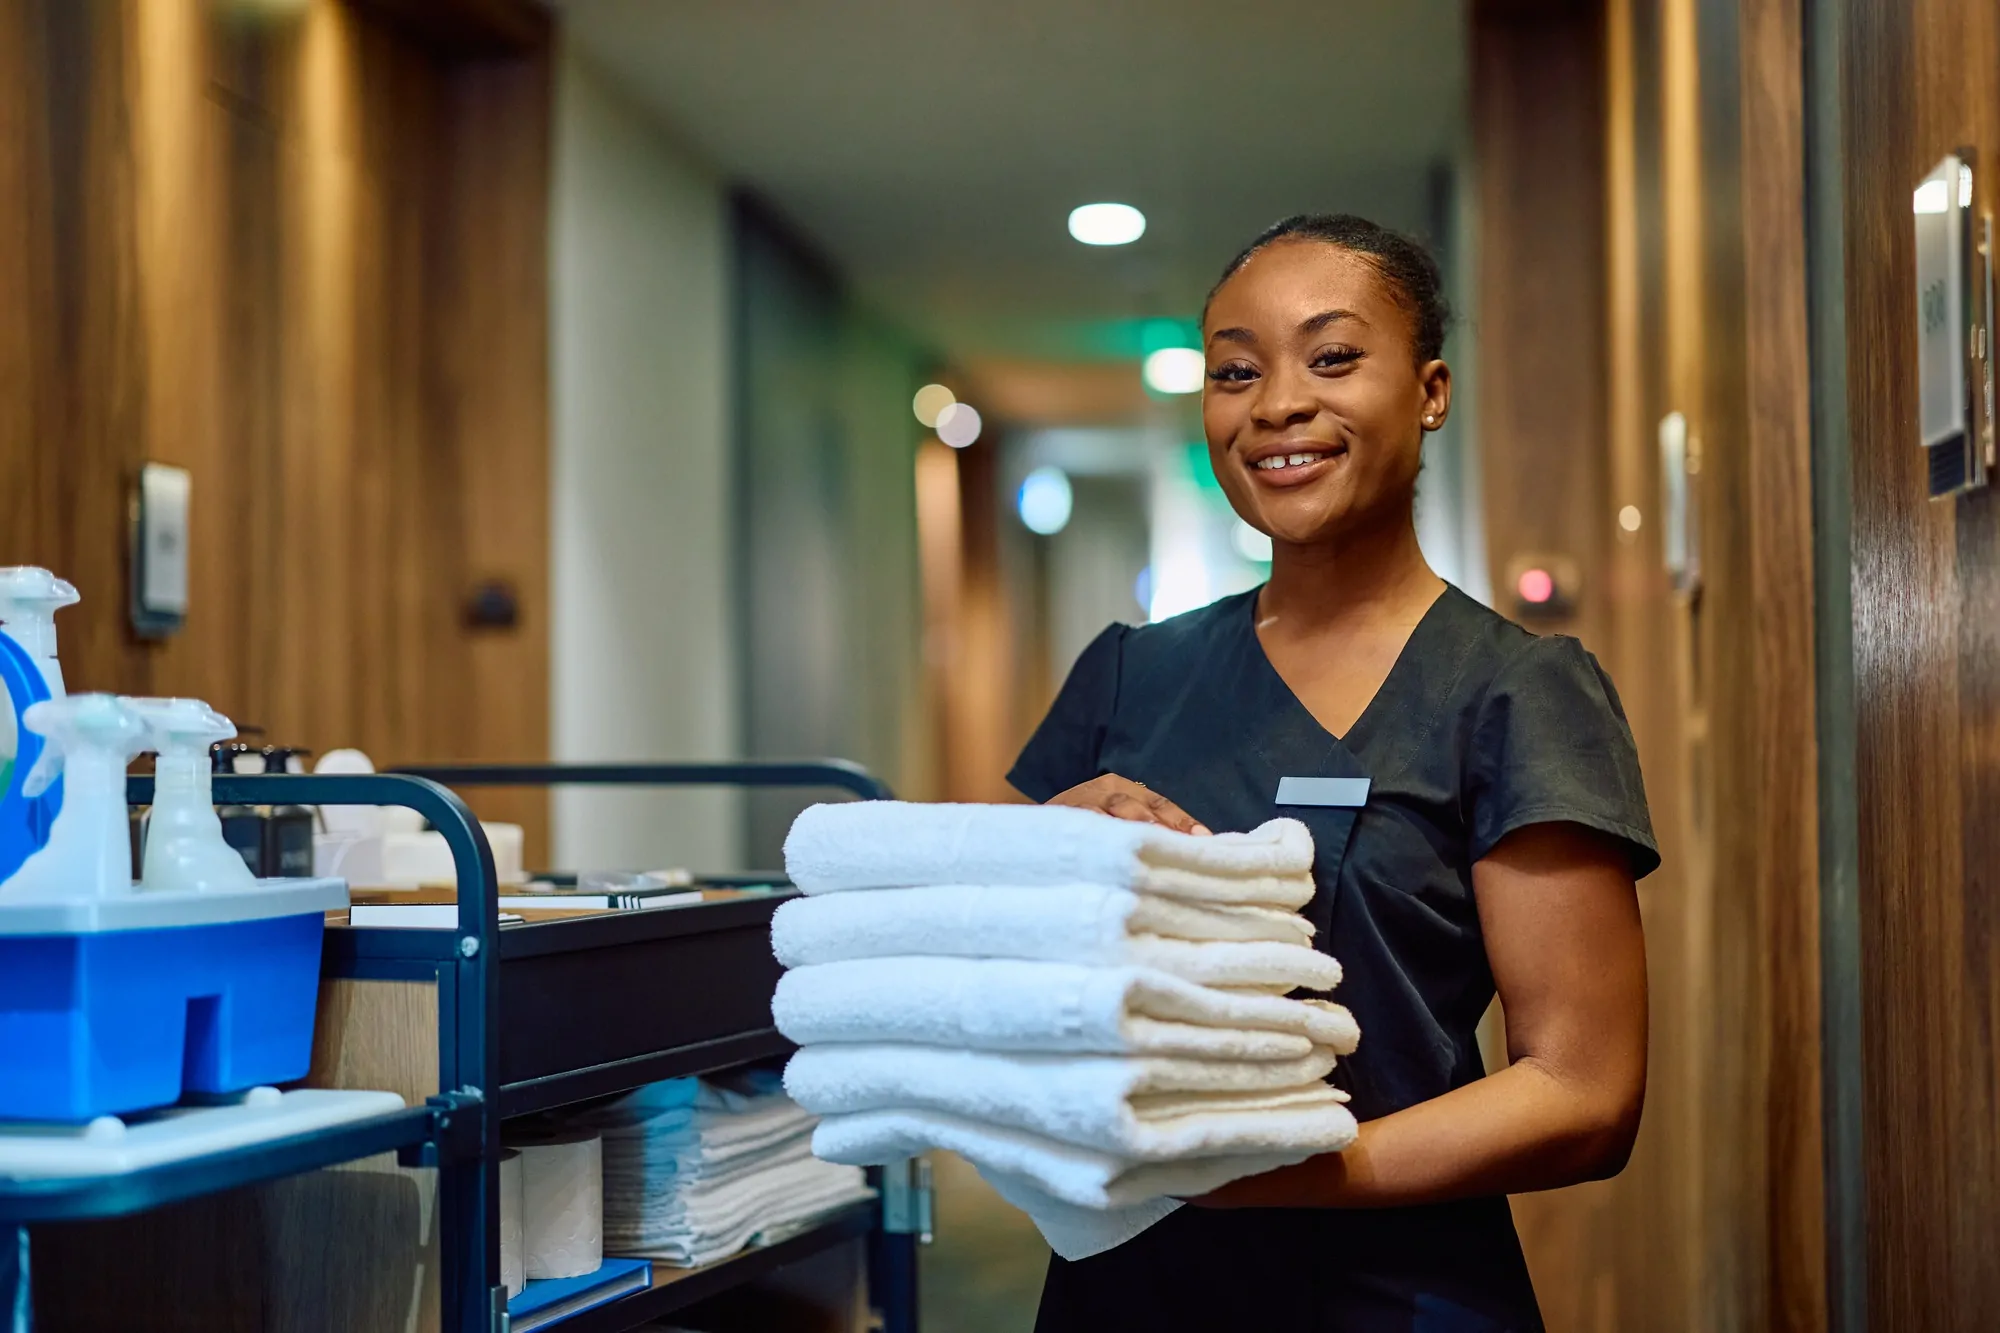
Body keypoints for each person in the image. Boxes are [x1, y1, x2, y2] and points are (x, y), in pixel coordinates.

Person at [1008, 214, 1656, 1332]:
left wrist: (1279, 1176)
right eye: (1234, 371)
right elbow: (988, 975)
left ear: (1430, 390)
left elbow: (1584, 1093)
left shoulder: (1510, 692)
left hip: (1389, 1291)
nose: (1275, 405)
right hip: (1119, 1285)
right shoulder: (1127, 675)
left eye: (1333, 356)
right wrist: (1042, 849)